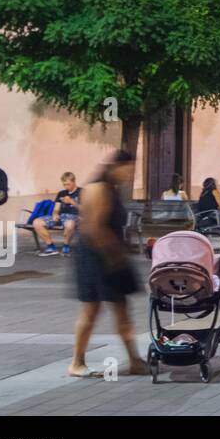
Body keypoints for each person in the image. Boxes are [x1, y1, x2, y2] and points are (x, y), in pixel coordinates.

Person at [69, 150, 146, 378]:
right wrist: (115, 256)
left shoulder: (109, 188)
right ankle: (77, 362)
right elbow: (94, 228)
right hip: (97, 257)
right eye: (128, 169)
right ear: (115, 166)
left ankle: (135, 361)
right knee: (91, 310)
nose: (130, 174)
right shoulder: (98, 188)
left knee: (121, 309)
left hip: (109, 256)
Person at [35, 172, 80, 256]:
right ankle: (51, 247)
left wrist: (72, 202)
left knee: (69, 224)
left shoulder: (82, 192)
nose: (66, 187)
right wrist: (55, 214)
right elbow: (56, 208)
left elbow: (86, 209)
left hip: (75, 217)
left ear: (74, 181)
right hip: (61, 217)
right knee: (37, 222)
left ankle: (66, 246)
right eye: (64, 185)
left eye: (68, 184)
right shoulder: (62, 193)